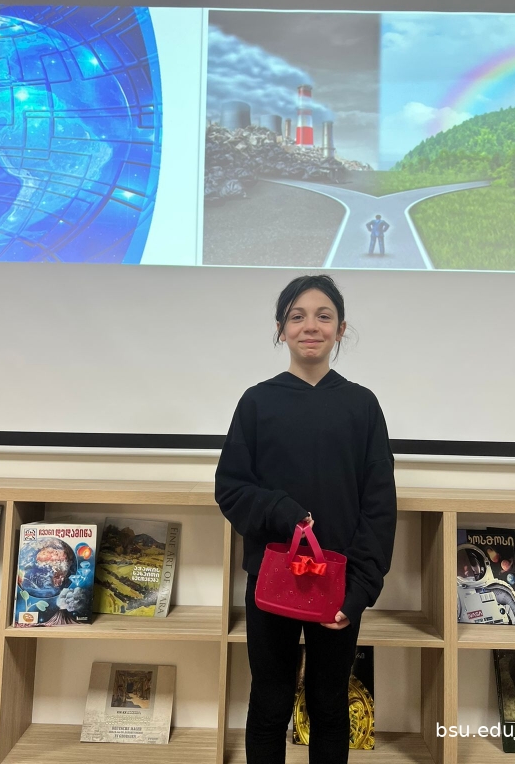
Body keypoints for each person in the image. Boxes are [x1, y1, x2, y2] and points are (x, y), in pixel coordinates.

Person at [214, 274, 396, 764]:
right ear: (281, 329)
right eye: (297, 317)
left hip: (339, 586)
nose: (310, 326)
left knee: (329, 702)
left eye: (323, 316)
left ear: (341, 329)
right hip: (272, 581)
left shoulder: (362, 406)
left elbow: (379, 505)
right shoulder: (257, 402)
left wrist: (360, 589)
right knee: (269, 701)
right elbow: (231, 488)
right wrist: (282, 511)